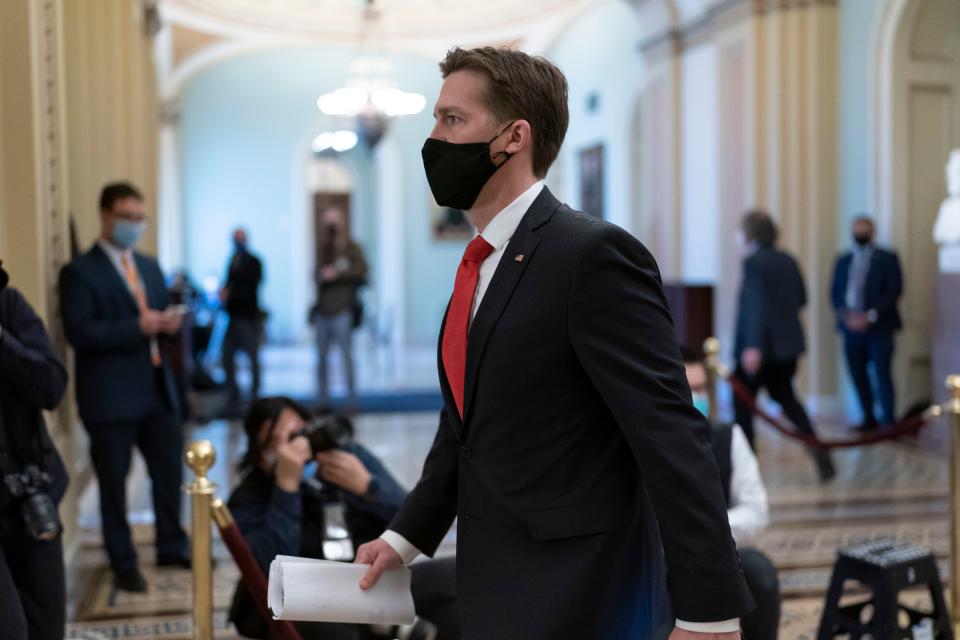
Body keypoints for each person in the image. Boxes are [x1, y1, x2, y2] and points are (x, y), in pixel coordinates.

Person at [356, 46, 754, 640]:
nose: (433, 138)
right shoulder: (480, 262)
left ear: (513, 137)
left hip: (585, 590)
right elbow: (466, 428)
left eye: (452, 120)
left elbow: (671, 435)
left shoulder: (590, 255)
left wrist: (709, 612)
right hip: (496, 579)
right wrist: (403, 538)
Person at [227, 397, 459, 640]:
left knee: (454, 579)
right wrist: (286, 487)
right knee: (331, 628)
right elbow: (267, 569)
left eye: (299, 433)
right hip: (299, 601)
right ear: (259, 452)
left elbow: (412, 522)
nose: (296, 447)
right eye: (277, 442)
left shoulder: (347, 457)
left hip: (366, 584)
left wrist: (369, 488)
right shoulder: (249, 496)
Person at [59, 182, 189, 592]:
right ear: (105, 216)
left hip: (156, 386)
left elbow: (154, 316)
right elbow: (80, 332)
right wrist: (137, 326)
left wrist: (167, 323)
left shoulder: (149, 266)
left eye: (139, 218)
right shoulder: (80, 272)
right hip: (110, 395)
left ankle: (172, 543)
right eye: (126, 217)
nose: (133, 225)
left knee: (168, 471)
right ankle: (123, 560)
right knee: (112, 483)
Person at [682, 348, 780, 640]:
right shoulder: (643, 440)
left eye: (700, 388)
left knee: (760, 574)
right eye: (686, 389)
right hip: (663, 560)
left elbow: (756, 510)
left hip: (719, 549)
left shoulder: (727, 437)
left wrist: (707, 529)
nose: (695, 397)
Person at [733, 210, 835, 483]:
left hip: (759, 349)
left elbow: (755, 306)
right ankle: (818, 449)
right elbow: (802, 298)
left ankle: (746, 468)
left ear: (750, 233)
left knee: (742, 404)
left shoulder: (753, 262)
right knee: (787, 398)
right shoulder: (788, 259)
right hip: (787, 347)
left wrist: (752, 346)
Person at [0, 261, 69, 640]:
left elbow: (52, 387)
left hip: (29, 494)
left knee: (46, 626)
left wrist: (4, 343)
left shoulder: (8, 305)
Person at [830, 216, 903, 430]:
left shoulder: (887, 258)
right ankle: (867, 417)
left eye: (865, 229)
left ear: (872, 231)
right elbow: (835, 292)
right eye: (857, 229)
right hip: (850, 328)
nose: (860, 233)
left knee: (882, 373)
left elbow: (894, 290)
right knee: (857, 373)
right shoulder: (843, 260)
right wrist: (846, 315)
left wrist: (869, 316)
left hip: (879, 327)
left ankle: (888, 421)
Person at [312, 208, 368, 409]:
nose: (331, 228)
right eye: (328, 223)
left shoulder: (352, 248)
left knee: (346, 356)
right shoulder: (323, 249)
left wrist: (337, 273)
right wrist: (322, 275)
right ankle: (323, 399)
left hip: (343, 309)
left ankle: (352, 399)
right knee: (321, 358)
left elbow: (362, 271)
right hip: (323, 310)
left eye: (334, 223)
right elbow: (315, 274)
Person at [221, 228, 264, 409]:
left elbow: (250, 287)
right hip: (232, 316)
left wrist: (230, 294)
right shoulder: (232, 260)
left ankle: (254, 395)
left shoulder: (254, 261)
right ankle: (234, 395)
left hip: (247, 317)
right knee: (226, 355)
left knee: (252, 356)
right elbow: (229, 282)